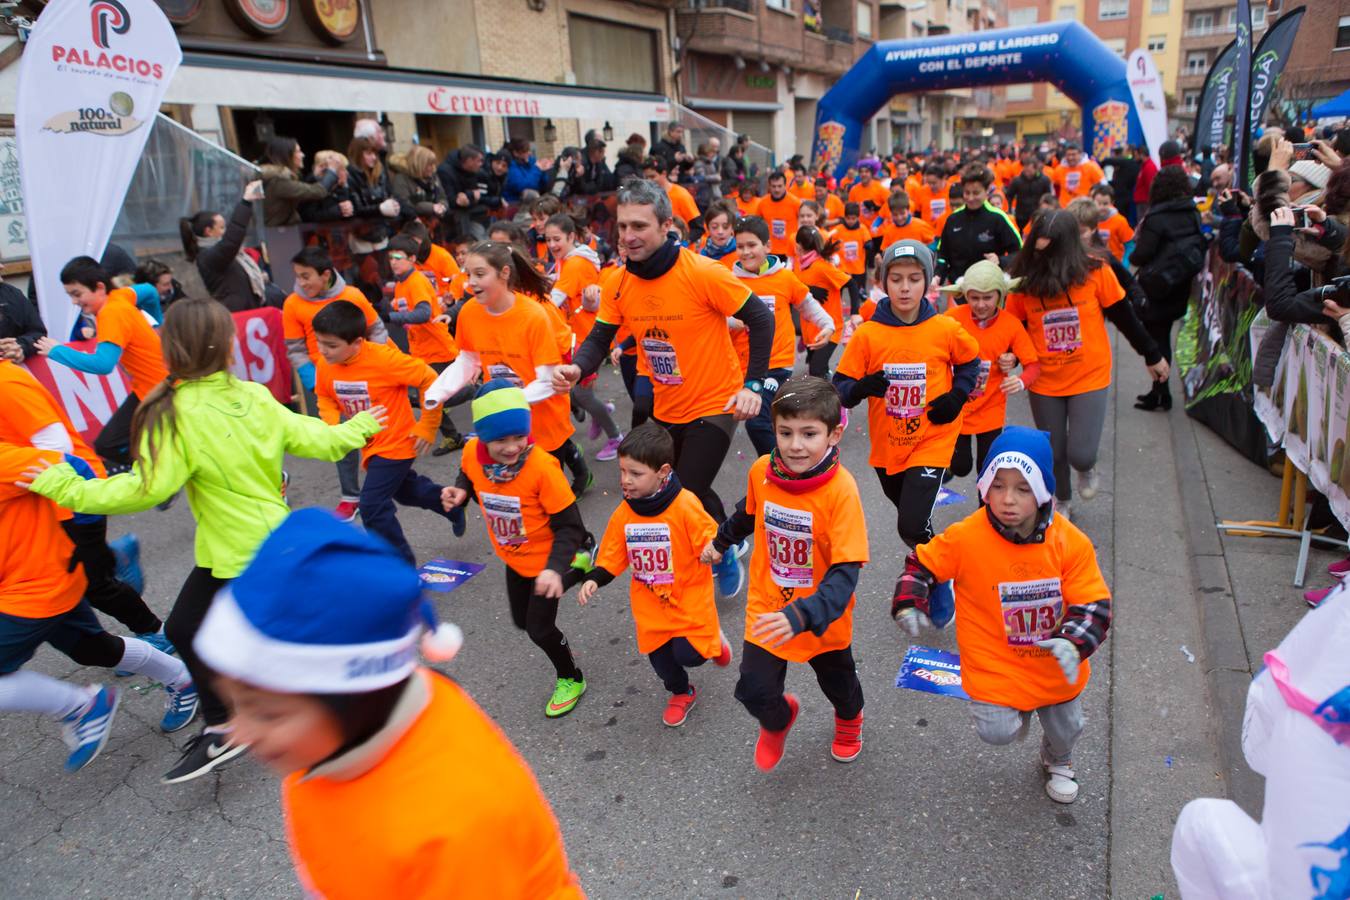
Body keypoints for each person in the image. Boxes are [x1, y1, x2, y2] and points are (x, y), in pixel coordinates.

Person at [24, 298, 386, 784]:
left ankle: (313, 714)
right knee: (200, 629)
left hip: (244, 551)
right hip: (259, 544)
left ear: (171, 346)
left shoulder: (177, 412)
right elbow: (320, 441)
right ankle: (238, 721)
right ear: (226, 344)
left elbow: (146, 488)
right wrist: (360, 426)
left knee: (220, 633)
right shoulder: (252, 395)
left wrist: (64, 487)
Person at [192, 508, 583, 899]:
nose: (240, 733)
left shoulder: (456, 825)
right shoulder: (322, 744)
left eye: (267, 712)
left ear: (353, 696)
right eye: (233, 704)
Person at [551, 179, 775, 599]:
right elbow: (600, 336)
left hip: (715, 401)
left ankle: (721, 550)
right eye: (621, 227)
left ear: (666, 225)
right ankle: (728, 536)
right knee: (690, 485)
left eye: (639, 226)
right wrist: (576, 369)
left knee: (683, 490)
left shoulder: (703, 272)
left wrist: (754, 385)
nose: (628, 237)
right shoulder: (618, 281)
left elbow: (762, 319)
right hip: (667, 404)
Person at [892, 426, 1111, 804]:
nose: (1007, 499)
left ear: (1043, 492)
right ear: (984, 486)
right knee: (997, 731)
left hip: (1053, 663)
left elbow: (1094, 603)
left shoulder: (1069, 542)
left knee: (1068, 726)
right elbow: (922, 564)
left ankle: (1057, 758)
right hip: (995, 663)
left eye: (1023, 489)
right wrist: (910, 601)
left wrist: (1073, 642)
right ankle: (1019, 710)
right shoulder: (967, 537)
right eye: (997, 485)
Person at [699, 376, 869, 770]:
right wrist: (721, 543)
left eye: (809, 433)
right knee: (754, 691)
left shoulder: (842, 491)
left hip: (820, 615)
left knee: (838, 683)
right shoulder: (762, 469)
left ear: (834, 434)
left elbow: (846, 573)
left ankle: (849, 720)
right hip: (768, 602)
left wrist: (803, 615)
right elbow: (747, 512)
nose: (795, 445)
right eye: (785, 432)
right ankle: (778, 721)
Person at [3, 440, 197, 773]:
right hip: (29, 585)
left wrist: (91, 545)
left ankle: (80, 707)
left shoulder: (6, 461)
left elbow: (75, 467)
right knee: (92, 650)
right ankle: (182, 679)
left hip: (37, 587)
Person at [833, 241, 980, 593]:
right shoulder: (869, 333)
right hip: (889, 447)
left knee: (911, 525)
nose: (904, 287)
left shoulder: (943, 328)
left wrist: (957, 396)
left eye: (914, 279)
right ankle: (939, 562)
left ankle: (937, 579)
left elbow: (970, 361)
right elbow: (840, 386)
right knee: (913, 521)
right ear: (883, 282)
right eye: (896, 279)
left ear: (926, 283)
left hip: (933, 437)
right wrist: (863, 387)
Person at [441, 381, 590, 718]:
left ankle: (572, 677)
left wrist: (553, 568)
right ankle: (580, 566)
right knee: (523, 623)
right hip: (514, 556)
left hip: (548, 556)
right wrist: (461, 492)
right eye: (500, 440)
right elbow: (466, 471)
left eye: (518, 437)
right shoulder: (471, 453)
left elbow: (570, 525)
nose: (512, 448)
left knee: (540, 629)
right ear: (482, 437)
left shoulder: (541, 467)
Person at [566, 424, 731, 726]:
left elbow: (711, 537)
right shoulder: (625, 512)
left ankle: (713, 642)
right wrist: (594, 578)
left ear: (663, 471)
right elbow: (614, 553)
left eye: (636, 473)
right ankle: (681, 692)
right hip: (650, 604)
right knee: (662, 662)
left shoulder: (685, 505)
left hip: (688, 597)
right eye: (622, 471)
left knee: (689, 654)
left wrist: (714, 550)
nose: (625, 481)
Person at [0, 359, 170, 652]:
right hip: (43, 497)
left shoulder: (7, 383)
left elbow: (57, 447)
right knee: (70, 575)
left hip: (73, 493)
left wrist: (15, 474)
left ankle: (156, 632)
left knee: (92, 584)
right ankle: (111, 557)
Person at [1005, 211, 1168, 516]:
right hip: (1045, 379)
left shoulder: (1096, 272)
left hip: (1089, 375)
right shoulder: (1024, 285)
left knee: (1079, 452)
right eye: (1037, 252)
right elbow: (1016, 334)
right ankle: (1062, 501)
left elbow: (1124, 317)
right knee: (1053, 452)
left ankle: (1086, 467)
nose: (1042, 259)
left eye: (1049, 253)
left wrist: (1152, 354)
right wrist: (1009, 358)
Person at [424, 241, 593, 494]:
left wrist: (509, 399)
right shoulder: (470, 312)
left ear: (504, 273)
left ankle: (576, 497)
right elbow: (469, 359)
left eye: (480, 274)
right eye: (468, 274)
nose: (471, 282)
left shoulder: (534, 314)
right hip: (506, 417)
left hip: (544, 415)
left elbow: (546, 379)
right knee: (521, 489)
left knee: (549, 492)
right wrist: (437, 392)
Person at [312, 300, 463, 562]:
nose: (323, 351)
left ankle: (400, 567)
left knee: (371, 505)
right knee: (404, 491)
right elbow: (324, 396)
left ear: (358, 342)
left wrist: (428, 424)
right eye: (319, 342)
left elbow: (428, 378)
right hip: (370, 445)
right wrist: (332, 426)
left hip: (398, 442)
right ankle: (448, 504)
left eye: (331, 345)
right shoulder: (326, 364)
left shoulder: (384, 359)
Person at [284, 246, 390, 522]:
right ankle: (350, 497)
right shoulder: (293, 304)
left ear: (326, 274)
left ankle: (389, 485)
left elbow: (376, 329)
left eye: (306, 276)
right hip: (328, 383)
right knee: (341, 437)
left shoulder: (352, 295)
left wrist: (374, 363)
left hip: (366, 377)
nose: (301, 283)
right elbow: (294, 347)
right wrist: (313, 378)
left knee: (383, 432)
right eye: (297, 276)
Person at [35, 257, 169, 471]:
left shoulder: (110, 314)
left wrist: (56, 351)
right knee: (111, 444)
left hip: (160, 392)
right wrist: (158, 323)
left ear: (99, 287)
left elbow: (103, 364)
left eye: (77, 294)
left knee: (109, 445)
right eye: (70, 295)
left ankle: (162, 473)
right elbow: (150, 292)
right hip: (155, 387)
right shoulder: (121, 295)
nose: (74, 302)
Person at [731, 217, 835, 456]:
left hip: (777, 363)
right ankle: (782, 468)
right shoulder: (731, 281)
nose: (745, 252)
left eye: (751, 245)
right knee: (767, 420)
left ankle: (781, 467)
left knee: (756, 422)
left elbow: (807, 304)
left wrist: (827, 325)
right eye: (740, 246)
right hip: (743, 365)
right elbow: (716, 316)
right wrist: (732, 321)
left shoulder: (784, 278)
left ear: (767, 246)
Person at [937, 261, 1039, 480]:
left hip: (991, 408)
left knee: (988, 469)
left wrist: (1020, 380)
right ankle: (949, 467)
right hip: (959, 407)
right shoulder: (951, 319)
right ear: (965, 295)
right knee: (962, 466)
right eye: (974, 298)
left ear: (1001, 296)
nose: (981, 304)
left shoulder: (1011, 324)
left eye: (988, 298)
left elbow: (1033, 365)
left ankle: (985, 511)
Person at [1128, 166, 1208, 412]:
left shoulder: (1156, 216)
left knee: (1157, 340)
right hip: (1179, 282)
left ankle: (1161, 392)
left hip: (1157, 286)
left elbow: (1140, 255)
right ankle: (1160, 391)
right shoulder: (1192, 211)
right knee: (1162, 337)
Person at [544, 214, 622, 461]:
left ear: (571, 237)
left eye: (557, 239)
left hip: (587, 339)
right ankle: (601, 412)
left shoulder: (574, 263)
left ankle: (615, 437)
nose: (552, 244)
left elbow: (554, 301)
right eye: (548, 240)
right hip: (577, 335)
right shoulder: (565, 261)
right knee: (578, 393)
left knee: (581, 394)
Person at [384, 234, 468, 454]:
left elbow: (423, 314)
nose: (393, 261)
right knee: (428, 396)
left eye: (398, 257)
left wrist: (391, 317)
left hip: (438, 348)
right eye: (390, 257)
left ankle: (475, 390)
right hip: (421, 350)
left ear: (412, 258)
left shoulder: (417, 281)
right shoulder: (401, 285)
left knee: (432, 395)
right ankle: (453, 436)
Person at [179, 181, 272, 312]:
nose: (225, 231)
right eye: (222, 227)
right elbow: (232, 240)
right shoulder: (208, 256)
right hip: (238, 314)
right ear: (209, 231)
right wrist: (245, 202)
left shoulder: (217, 252)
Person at [935, 165, 1023, 284]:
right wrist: (937, 276)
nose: (971, 198)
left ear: (987, 191)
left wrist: (1001, 260)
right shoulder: (953, 219)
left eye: (976, 193)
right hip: (959, 287)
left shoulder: (998, 218)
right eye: (967, 193)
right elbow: (943, 254)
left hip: (989, 287)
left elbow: (1019, 252)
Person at [794, 224, 853, 378]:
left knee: (816, 370)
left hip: (830, 328)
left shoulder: (822, 266)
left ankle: (833, 398)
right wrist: (809, 289)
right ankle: (827, 384)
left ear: (799, 246)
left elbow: (850, 283)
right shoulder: (800, 265)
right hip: (810, 330)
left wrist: (855, 313)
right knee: (818, 370)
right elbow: (794, 286)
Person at [259, 137, 338, 228]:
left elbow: (301, 191)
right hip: (278, 235)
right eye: (298, 151)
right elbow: (318, 192)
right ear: (287, 155)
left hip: (279, 233)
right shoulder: (278, 180)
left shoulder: (277, 178)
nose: (302, 155)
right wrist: (332, 171)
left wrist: (314, 176)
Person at [437, 144, 491, 241]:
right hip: (454, 218)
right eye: (479, 161)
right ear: (469, 161)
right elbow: (451, 200)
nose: (481, 164)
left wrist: (469, 197)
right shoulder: (445, 171)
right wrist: (470, 195)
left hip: (472, 213)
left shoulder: (474, 171)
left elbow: (477, 195)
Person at [643, 155, 703, 243]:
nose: (648, 181)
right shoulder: (646, 196)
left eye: (652, 177)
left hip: (681, 251)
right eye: (646, 177)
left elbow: (698, 228)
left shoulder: (681, 195)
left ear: (664, 173)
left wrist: (683, 242)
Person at [831, 201, 873, 303]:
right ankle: (837, 305)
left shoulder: (862, 229)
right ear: (844, 217)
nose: (850, 221)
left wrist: (868, 244)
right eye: (848, 218)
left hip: (857, 267)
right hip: (842, 267)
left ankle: (856, 311)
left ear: (858, 218)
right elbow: (830, 240)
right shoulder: (838, 229)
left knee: (855, 292)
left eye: (853, 219)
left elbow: (868, 240)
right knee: (838, 289)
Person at [757, 170, 803, 261]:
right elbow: (757, 225)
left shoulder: (796, 203)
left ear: (785, 185)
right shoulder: (762, 203)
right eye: (773, 186)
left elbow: (803, 224)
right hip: (769, 250)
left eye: (779, 186)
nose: (776, 189)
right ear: (769, 186)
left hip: (790, 252)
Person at [0, 269, 46, 362]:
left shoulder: (13, 294)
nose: (2, 266)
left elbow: (38, 333)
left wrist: (21, 347)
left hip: (15, 372)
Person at [1049, 142, 1104, 207]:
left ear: (1080, 154)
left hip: (1084, 208)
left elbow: (1102, 185)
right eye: (1068, 155)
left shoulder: (1092, 167)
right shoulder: (1059, 169)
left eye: (1073, 154)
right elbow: (1053, 187)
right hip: (1065, 208)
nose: (1070, 158)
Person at [1090, 183, 1134, 262]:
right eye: (1098, 203)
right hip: (1095, 263)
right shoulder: (1089, 220)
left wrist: (1124, 264)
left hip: (1115, 264)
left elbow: (1130, 245)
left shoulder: (1120, 221)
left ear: (1112, 203)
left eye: (1105, 204)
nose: (1101, 207)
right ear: (1092, 201)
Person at [698, 201, 739, 269]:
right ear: (708, 229)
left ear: (732, 228)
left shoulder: (741, 256)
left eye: (725, 227)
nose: (720, 232)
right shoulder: (701, 256)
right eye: (714, 227)